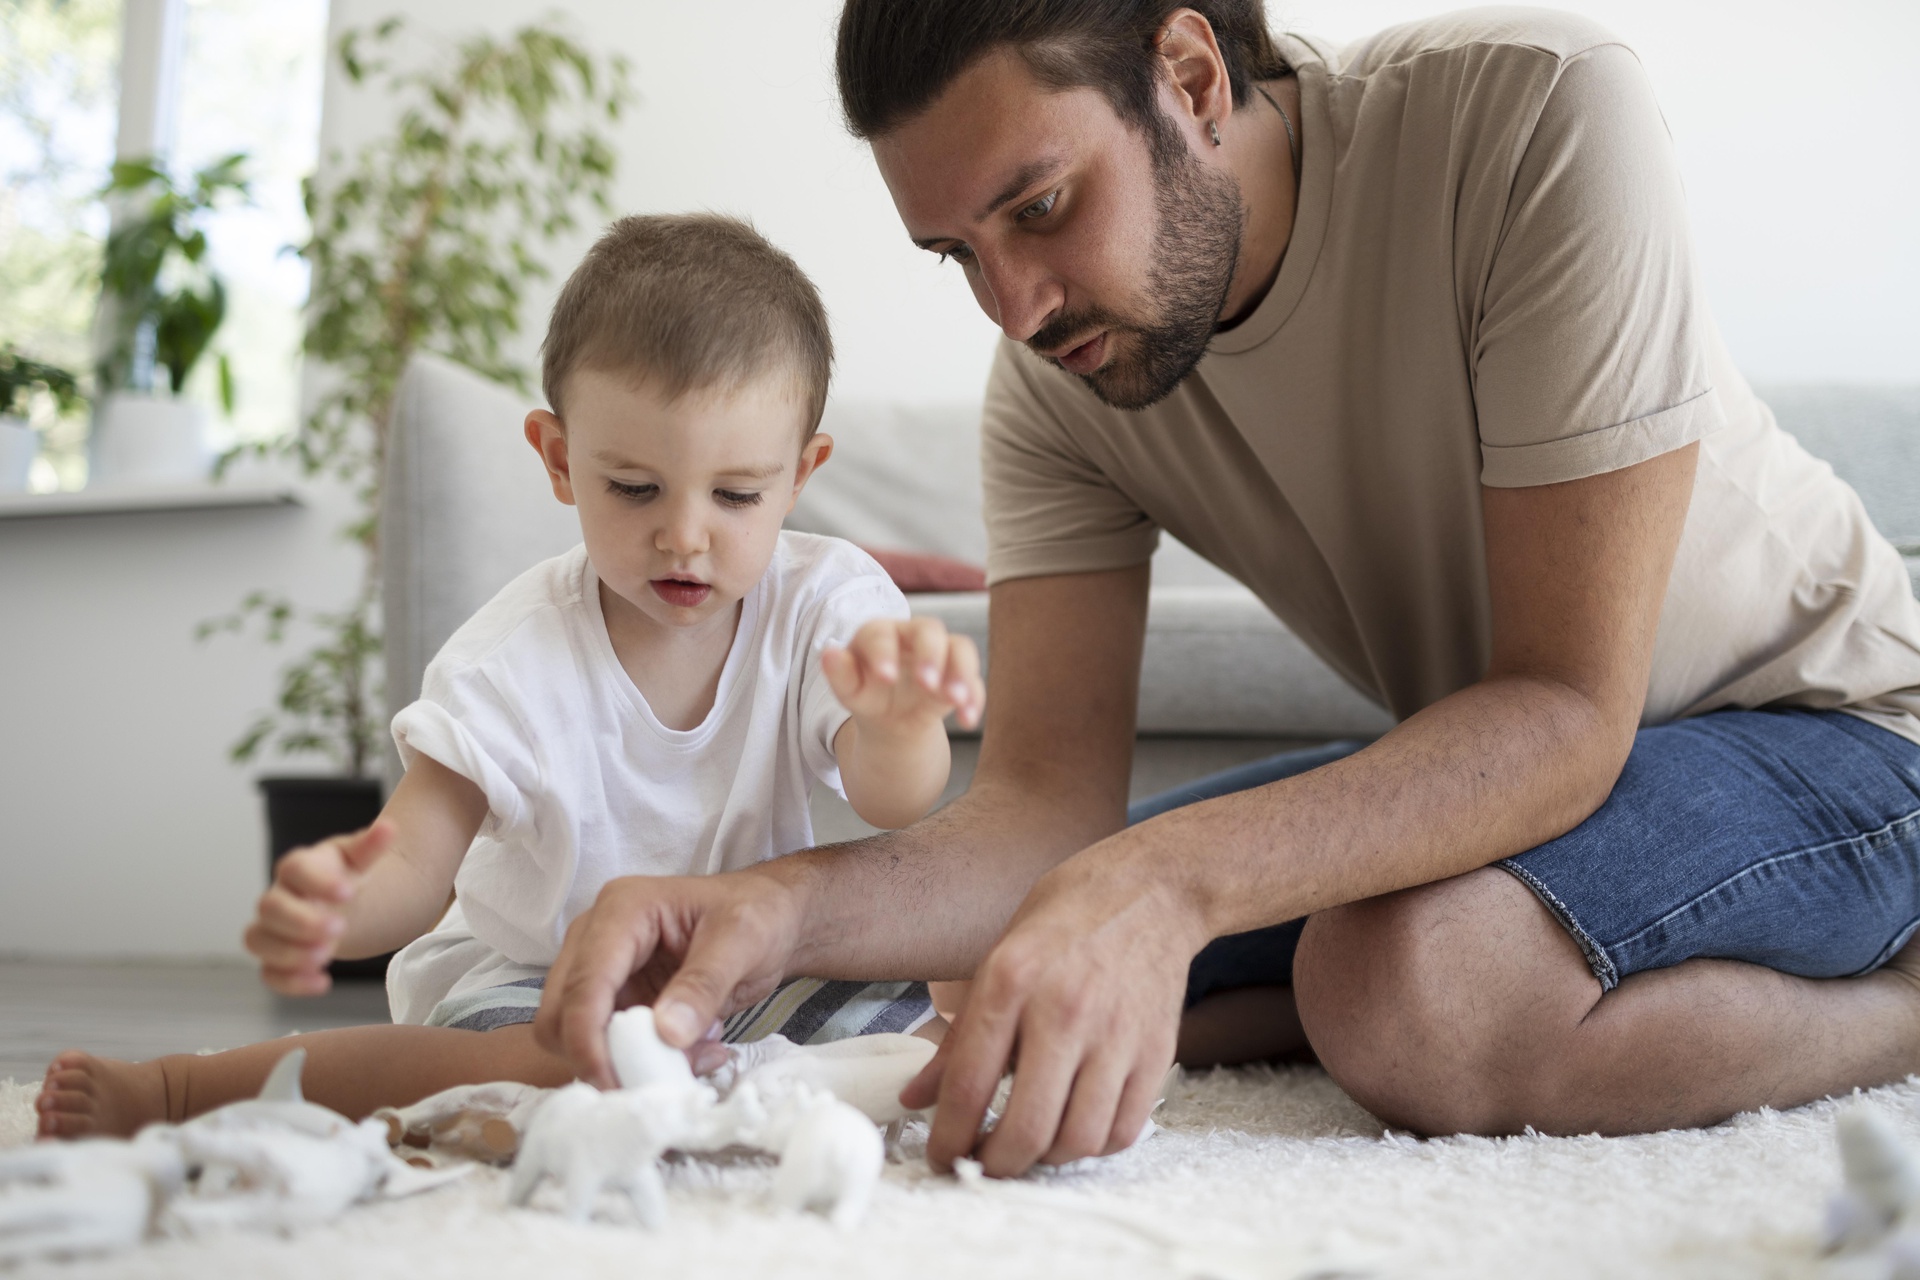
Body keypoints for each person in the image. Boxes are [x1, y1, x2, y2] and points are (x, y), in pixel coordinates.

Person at [531, 0, 1920, 1180]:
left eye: (1042, 208)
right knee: (1010, 957)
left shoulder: (1536, 115)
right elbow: (1037, 815)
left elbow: (1565, 709)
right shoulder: (1054, 391)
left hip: (1842, 722)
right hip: (1538, 767)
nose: (1012, 308)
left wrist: (1165, 882)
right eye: (961, 254)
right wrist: (771, 903)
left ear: (1191, 80)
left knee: (1411, 988)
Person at [36, 213, 985, 1138]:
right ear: (560, 458)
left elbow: (895, 802)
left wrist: (899, 723)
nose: (685, 535)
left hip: (746, 966)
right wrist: (341, 904)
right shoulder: (513, 656)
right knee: (538, 1073)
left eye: (737, 496)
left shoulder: (826, 601)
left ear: (800, 474)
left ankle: (693, 1089)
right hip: (531, 977)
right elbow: (414, 860)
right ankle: (173, 1092)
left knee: (942, 1020)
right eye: (635, 488)